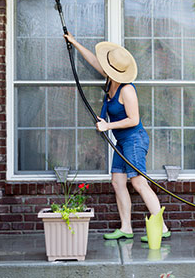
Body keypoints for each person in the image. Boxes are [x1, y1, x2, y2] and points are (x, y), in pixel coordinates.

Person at [63, 32, 170, 242]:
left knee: (138, 183)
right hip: (122, 141)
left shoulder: (127, 89)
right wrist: (75, 42)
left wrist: (107, 125)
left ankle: (162, 227)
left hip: (134, 139)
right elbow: (92, 61)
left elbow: (134, 119)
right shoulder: (111, 79)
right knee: (117, 182)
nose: (103, 66)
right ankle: (126, 228)